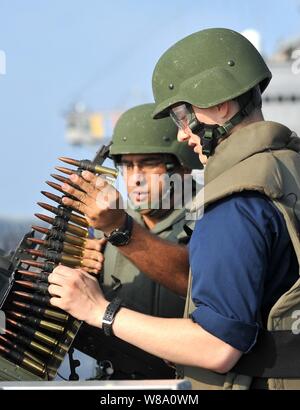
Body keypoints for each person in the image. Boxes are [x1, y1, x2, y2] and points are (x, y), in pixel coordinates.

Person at [48, 28, 300, 390]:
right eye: (127, 165)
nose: (183, 133)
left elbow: (217, 345)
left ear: (219, 103)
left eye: (182, 115)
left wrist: (98, 310)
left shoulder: (234, 202)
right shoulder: (287, 168)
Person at [72, 103, 202, 380]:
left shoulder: (213, 212)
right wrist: (81, 265)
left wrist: (120, 231)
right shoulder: (107, 222)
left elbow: (193, 278)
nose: (135, 180)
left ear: (182, 167)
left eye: (148, 164)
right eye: (128, 166)